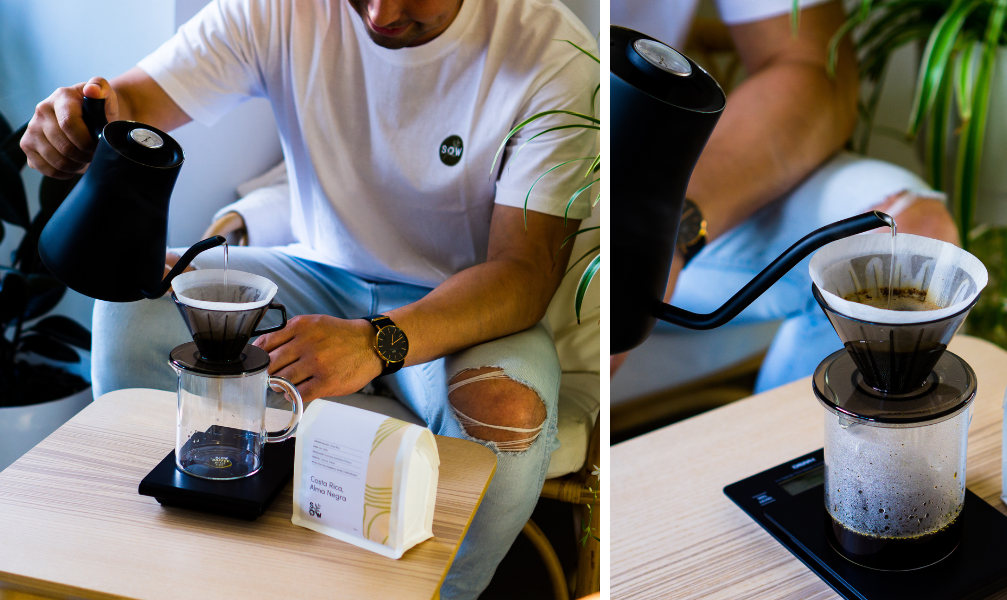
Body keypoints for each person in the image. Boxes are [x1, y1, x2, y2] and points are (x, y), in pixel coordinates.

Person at [19, 0, 597, 597]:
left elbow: (522, 271)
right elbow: (135, 102)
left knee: (508, 415)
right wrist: (80, 117)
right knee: (131, 305)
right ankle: (165, 571)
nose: (379, 14)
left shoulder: (553, 55)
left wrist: (377, 343)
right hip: (316, 270)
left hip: (464, 305)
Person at [608, 0, 959, 389]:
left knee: (909, 248)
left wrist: (668, 226)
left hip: (662, 205)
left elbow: (810, 63)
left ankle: (802, 445)